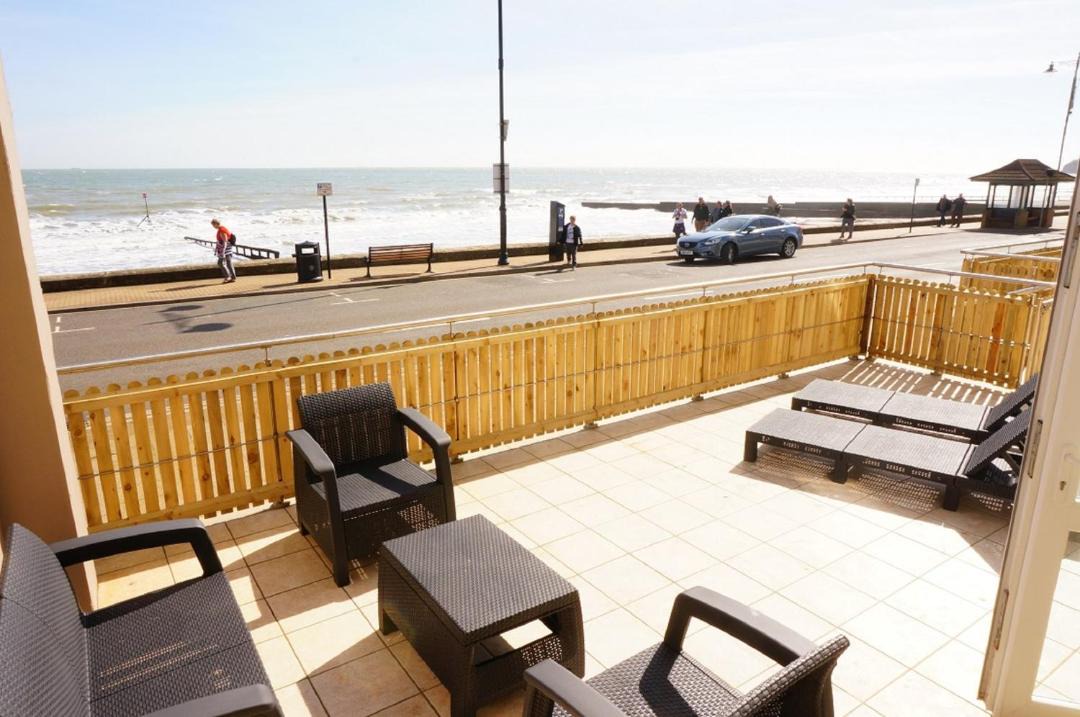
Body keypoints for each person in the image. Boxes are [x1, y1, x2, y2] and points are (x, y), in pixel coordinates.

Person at [211, 218, 236, 283]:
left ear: (216, 224)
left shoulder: (222, 230)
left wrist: (223, 252)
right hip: (227, 249)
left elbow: (225, 242)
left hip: (226, 250)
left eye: (213, 225)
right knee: (228, 263)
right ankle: (233, 277)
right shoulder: (222, 229)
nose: (213, 226)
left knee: (220, 263)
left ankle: (228, 277)